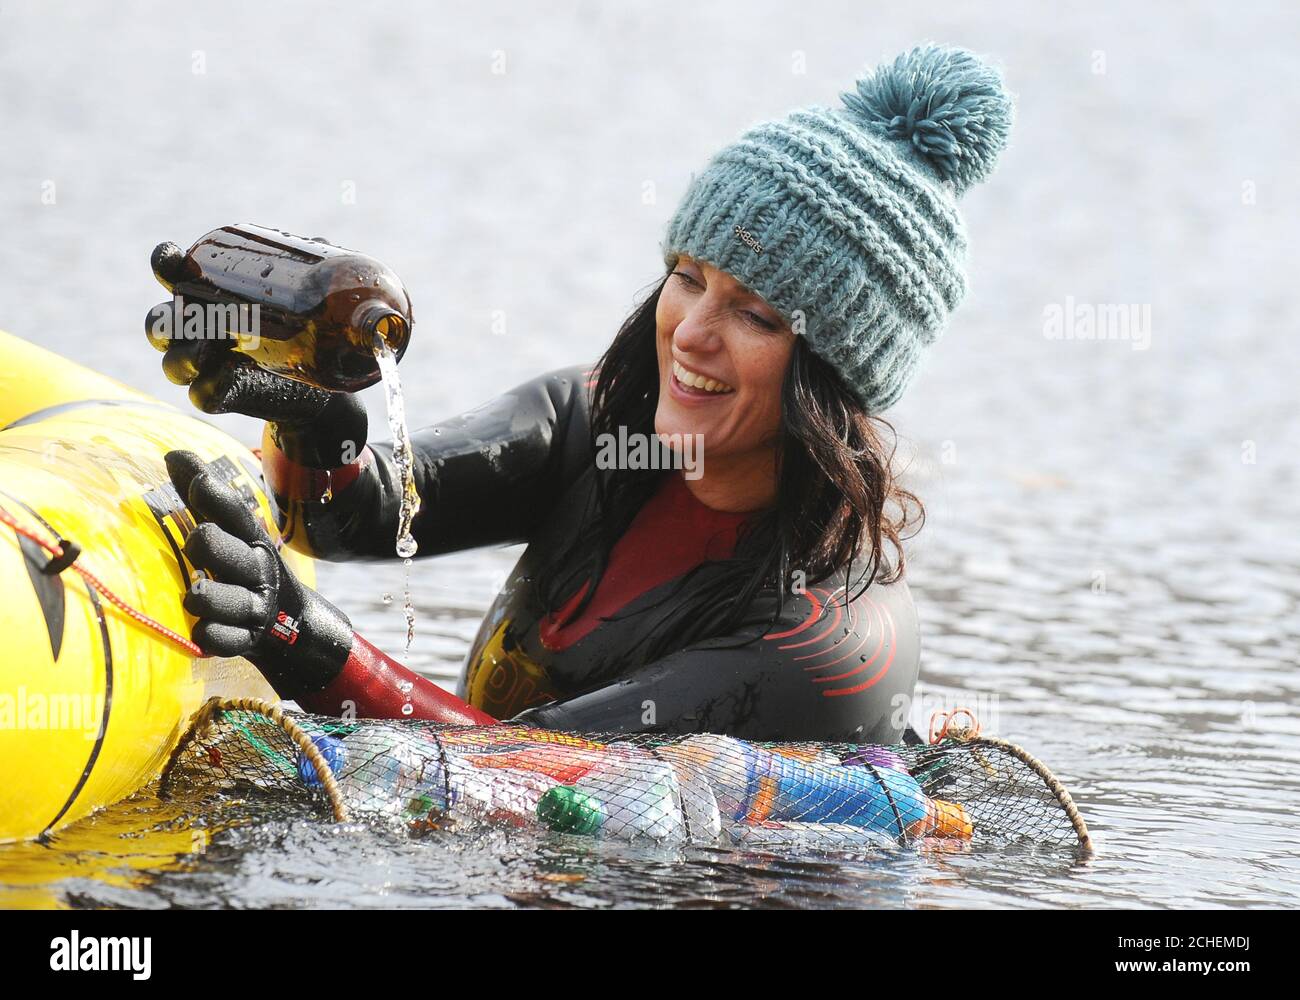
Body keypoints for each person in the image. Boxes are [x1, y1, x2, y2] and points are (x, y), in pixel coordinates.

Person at [157, 43, 1014, 744]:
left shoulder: (829, 641)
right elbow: (356, 519)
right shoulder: (597, 422)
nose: (689, 334)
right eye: (687, 277)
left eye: (753, 313)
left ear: (834, 376)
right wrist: (314, 409)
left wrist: (308, 646)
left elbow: (534, 771)